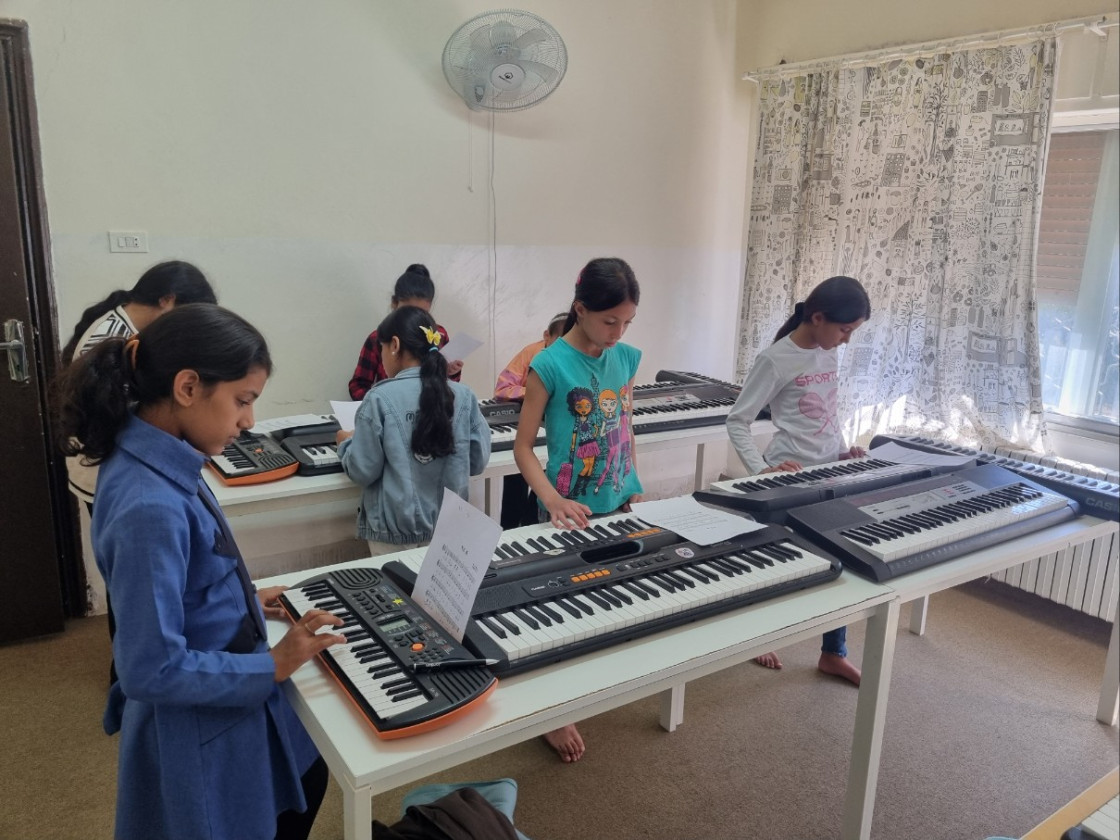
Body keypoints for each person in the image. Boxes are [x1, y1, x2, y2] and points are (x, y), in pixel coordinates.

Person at [54, 303, 345, 840]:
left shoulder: (161, 458)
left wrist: (245, 597)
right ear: (187, 387)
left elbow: (186, 573)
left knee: (308, 776)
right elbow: (150, 668)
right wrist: (274, 665)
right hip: (204, 724)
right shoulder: (148, 505)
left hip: (232, 689)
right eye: (243, 401)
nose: (248, 421)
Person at [512, 257, 643, 762]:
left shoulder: (625, 358)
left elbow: (625, 426)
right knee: (561, 609)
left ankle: (591, 684)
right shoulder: (548, 365)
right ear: (581, 309)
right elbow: (524, 447)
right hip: (567, 510)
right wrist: (552, 498)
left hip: (618, 501)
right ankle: (554, 711)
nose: (618, 332)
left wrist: (632, 482)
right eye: (610, 321)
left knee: (613, 596)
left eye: (627, 322)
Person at [725, 275, 872, 685]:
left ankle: (833, 653)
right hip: (786, 479)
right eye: (844, 330)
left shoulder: (828, 353)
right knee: (773, 561)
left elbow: (828, 414)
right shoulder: (776, 359)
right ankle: (758, 636)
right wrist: (761, 471)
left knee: (841, 559)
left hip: (828, 473)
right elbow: (737, 421)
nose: (846, 340)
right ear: (818, 318)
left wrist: (841, 452)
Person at [336, 305, 491, 555]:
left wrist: (345, 444)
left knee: (394, 584)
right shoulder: (464, 395)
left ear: (394, 345)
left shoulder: (379, 398)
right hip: (449, 528)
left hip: (393, 533)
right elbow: (477, 461)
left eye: (382, 348)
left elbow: (363, 470)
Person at [61, 259, 217, 505]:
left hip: (121, 464)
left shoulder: (136, 329)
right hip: (103, 468)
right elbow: (114, 417)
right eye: (185, 316)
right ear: (167, 300)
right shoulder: (107, 339)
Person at [495, 311, 567, 529]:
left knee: (545, 482)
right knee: (515, 480)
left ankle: (530, 524)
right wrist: (538, 393)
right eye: (559, 342)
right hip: (527, 425)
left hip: (555, 430)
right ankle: (509, 531)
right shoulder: (531, 353)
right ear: (547, 335)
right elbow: (502, 388)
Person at [348, 263, 463, 399]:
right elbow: (358, 385)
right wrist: (377, 403)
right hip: (389, 406)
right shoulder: (379, 338)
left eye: (421, 312)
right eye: (406, 311)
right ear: (394, 303)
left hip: (429, 408)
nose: (413, 318)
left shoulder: (437, 335)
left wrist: (450, 373)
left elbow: (447, 388)